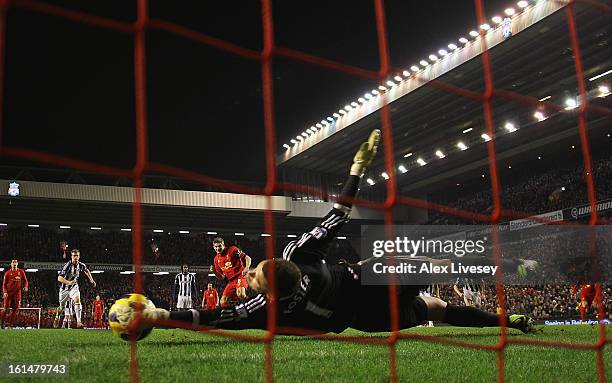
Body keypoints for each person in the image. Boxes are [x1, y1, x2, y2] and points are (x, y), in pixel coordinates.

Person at [125, 130, 537, 335]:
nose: (246, 276)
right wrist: (356, 171)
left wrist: (161, 316)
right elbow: (338, 212)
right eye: (253, 275)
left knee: (437, 307)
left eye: (252, 275)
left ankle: (509, 316)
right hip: (369, 281)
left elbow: (213, 318)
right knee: (431, 270)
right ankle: (511, 269)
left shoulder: (267, 309)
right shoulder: (299, 253)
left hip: (370, 317)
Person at [53, 249, 97, 329]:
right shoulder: (67, 265)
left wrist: (91, 280)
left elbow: (86, 270)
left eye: (77, 256)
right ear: (71, 257)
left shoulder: (81, 265)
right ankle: (57, 317)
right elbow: (59, 278)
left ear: (79, 257)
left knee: (77, 300)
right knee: (62, 307)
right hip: (64, 289)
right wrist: (68, 282)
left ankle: (79, 322)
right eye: (74, 256)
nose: (75, 258)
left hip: (74, 287)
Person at [211, 238, 251, 307]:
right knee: (223, 301)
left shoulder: (232, 250)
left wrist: (246, 268)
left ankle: (251, 305)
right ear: (213, 247)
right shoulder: (216, 260)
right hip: (231, 281)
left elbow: (247, 258)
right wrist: (214, 272)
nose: (218, 248)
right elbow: (222, 277)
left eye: (219, 246)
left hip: (241, 275)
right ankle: (232, 314)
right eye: (216, 247)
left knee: (240, 294)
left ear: (223, 245)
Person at [1, 259, 28, 329]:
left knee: (15, 309)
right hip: (8, 294)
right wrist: (5, 292)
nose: (14, 263)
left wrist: (25, 286)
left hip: (17, 294)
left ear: (17, 264)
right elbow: (4, 284)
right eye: (13, 262)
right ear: (11, 264)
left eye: (16, 262)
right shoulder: (7, 273)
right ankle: (2, 323)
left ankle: (10, 325)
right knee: (5, 309)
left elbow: (25, 281)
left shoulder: (21, 272)